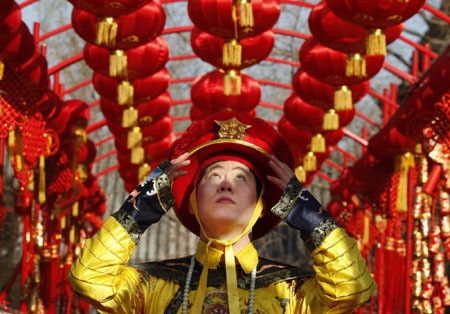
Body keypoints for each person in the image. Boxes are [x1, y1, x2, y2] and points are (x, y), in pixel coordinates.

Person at [69, 112, 376, 313]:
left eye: (241, 178)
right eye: (213, 176)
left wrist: (307, 214)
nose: (226, 184)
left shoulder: (291, 293)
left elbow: (352, 288)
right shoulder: (154, 286)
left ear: (261, 208)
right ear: (191, 202)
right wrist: (143, 204)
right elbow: (90, 279)